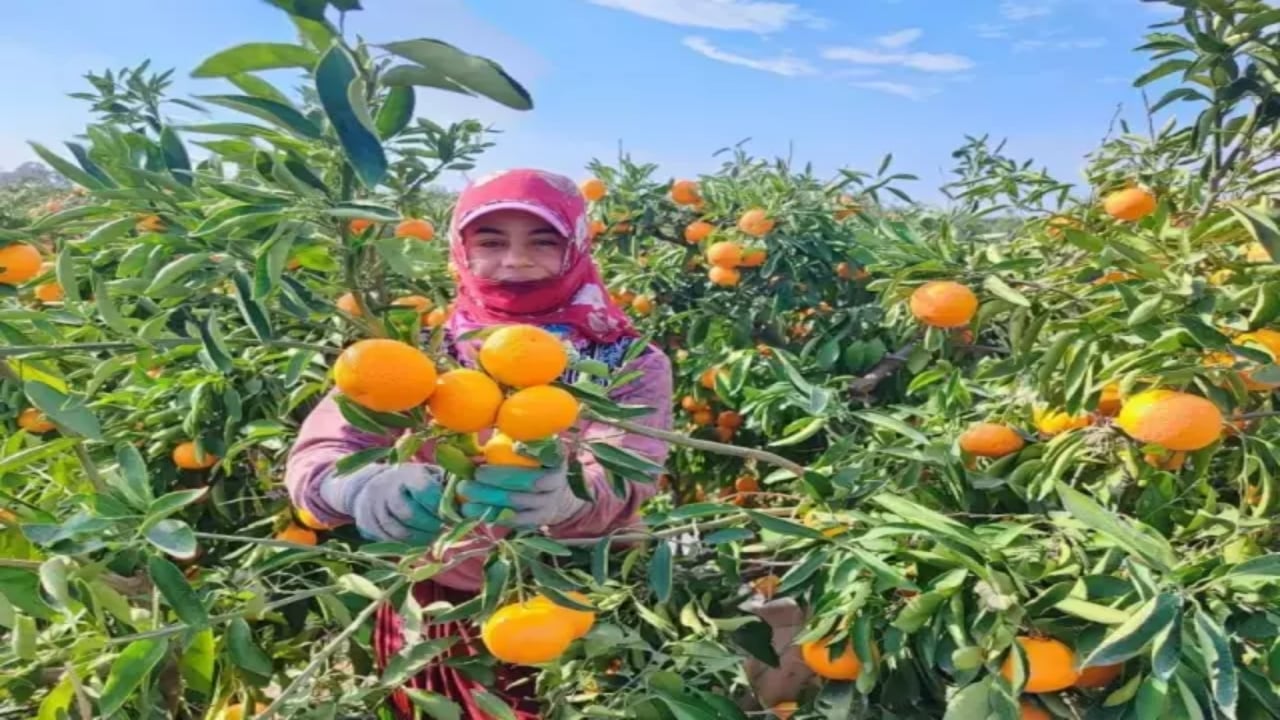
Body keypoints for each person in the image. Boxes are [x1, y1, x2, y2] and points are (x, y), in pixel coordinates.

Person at [284, 169, 674, 719]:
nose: (515, 261)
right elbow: (323, 451)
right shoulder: (417, 348)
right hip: (435, 597)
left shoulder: (627, 360)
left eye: (543, 241)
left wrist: (575, 496)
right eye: (490, 242)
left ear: (577, 247)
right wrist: (357, 489)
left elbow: (629, 469)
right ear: (461, 250)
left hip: (569, 596)